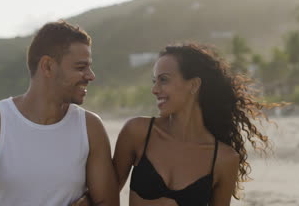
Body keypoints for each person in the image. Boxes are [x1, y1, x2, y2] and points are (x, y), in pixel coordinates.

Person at [0, 20, 119, 206]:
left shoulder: (90, 127)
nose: (91, 75)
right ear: (48, 66)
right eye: (80, 67)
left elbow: (107, 203)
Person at [113, 43, 272, 206]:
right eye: (155, 81)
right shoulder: (138, 132)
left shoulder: (224, 159)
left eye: (164, 80)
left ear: (194, 85)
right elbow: (104, 197)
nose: (154, 89)